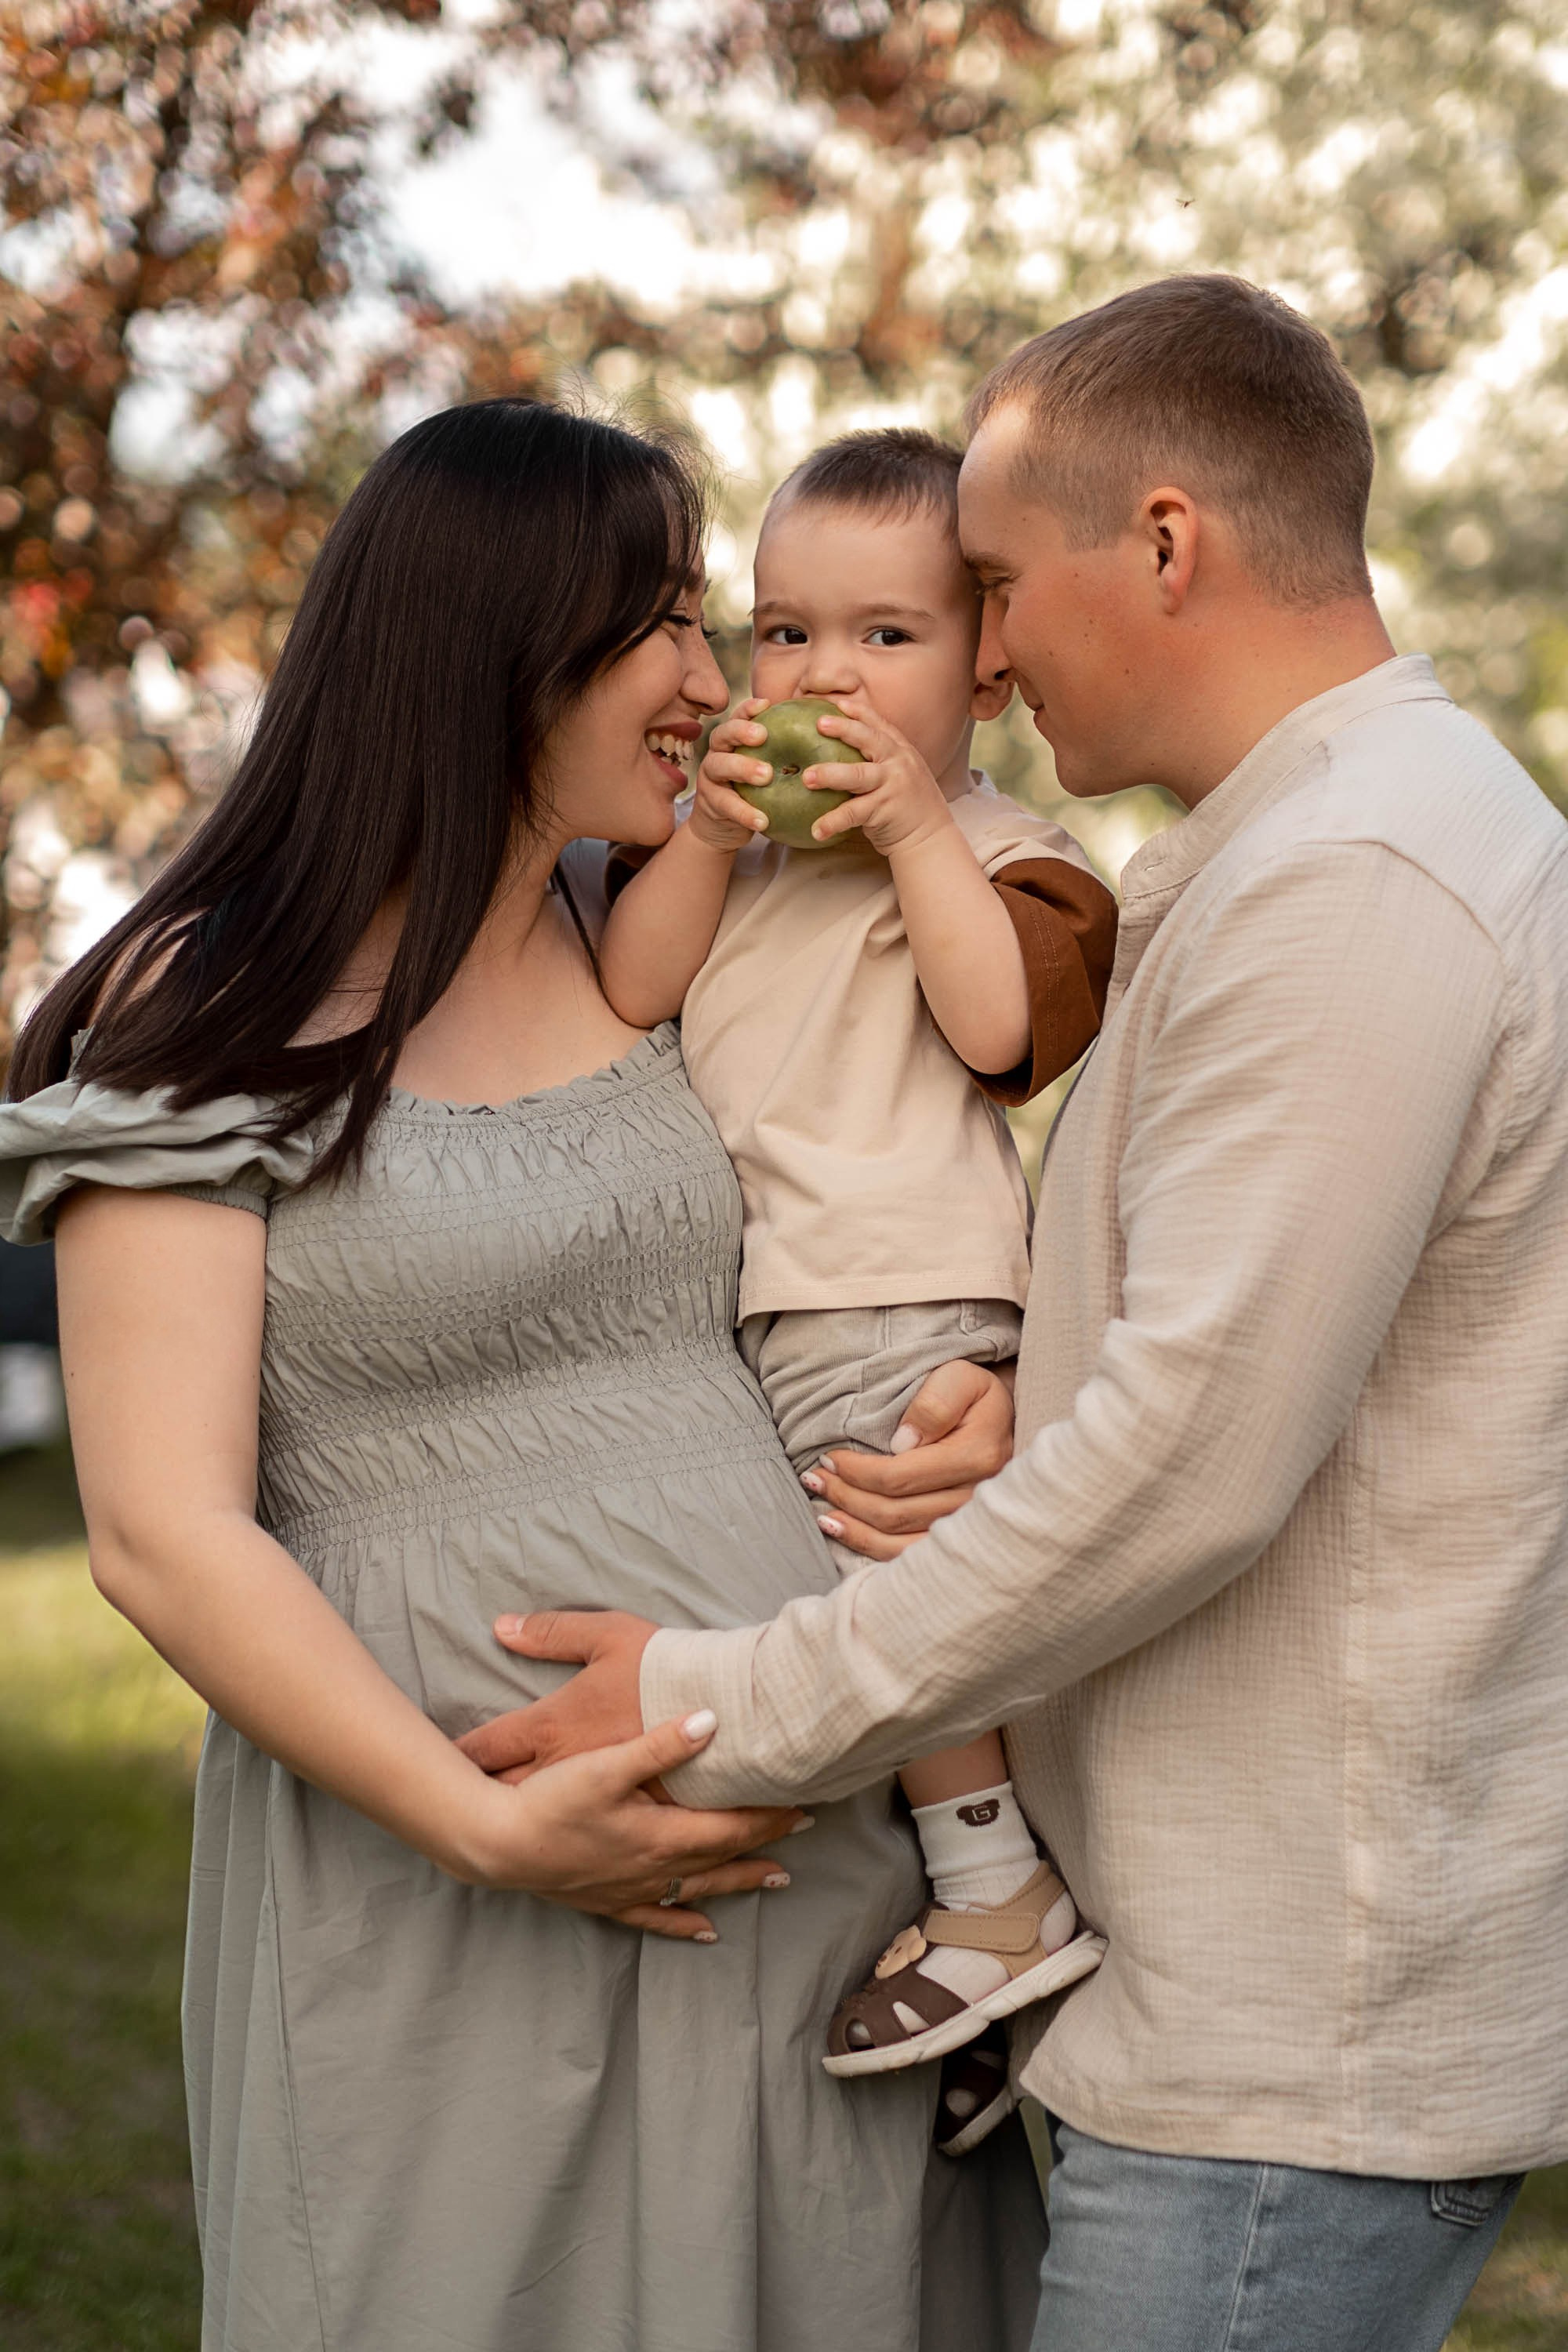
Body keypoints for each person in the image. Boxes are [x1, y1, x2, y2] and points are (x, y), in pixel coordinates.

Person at [463, 278, 1568, 2352]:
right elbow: (1242, 1347)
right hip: (1218, 2009)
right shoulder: (1316, 848)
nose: (986, 649)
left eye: (991, 583)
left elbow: (1192, 1465)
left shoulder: (1359, 878)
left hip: (1284, 2055)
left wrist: (720, 1703)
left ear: (1162, 543)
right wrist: (1016, 1391)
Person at [0, 397, 1051, 2352]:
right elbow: (156, 1530)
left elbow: (865, 1226)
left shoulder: (652, 942)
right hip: (450, 1860)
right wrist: (481, 1824)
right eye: (661, 624)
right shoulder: (209, 1000)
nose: (714, 681)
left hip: (813, 1858)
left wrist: (980, 1400)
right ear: (497, 645)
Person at [598, 427, 1116, 2087]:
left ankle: (993, 1896)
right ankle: (986, 1963)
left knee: (889, 1591)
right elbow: (633, 990)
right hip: (773, 1296)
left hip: (902, 1284)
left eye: (887, 634)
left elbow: (997, 1029)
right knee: (846, 1595)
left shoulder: (1008, 852)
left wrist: (912, 836)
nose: (826, 674)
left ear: (987, 672)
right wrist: (701, 834)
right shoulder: (740, 850)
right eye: (785, 630)